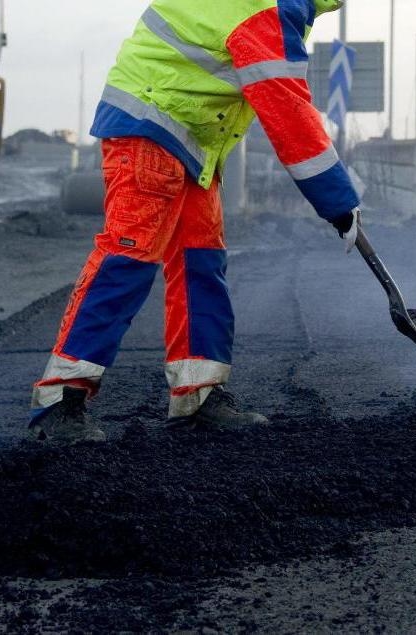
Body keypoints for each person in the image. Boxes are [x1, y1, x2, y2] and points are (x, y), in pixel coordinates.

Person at [29, 0, 361, 444]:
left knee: (200, 262)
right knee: (128, 257)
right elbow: (290, 116)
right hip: (151, 125)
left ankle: (198, 394)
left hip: (188, 139)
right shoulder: (266, 9)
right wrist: (339, 203)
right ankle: (60, 400)